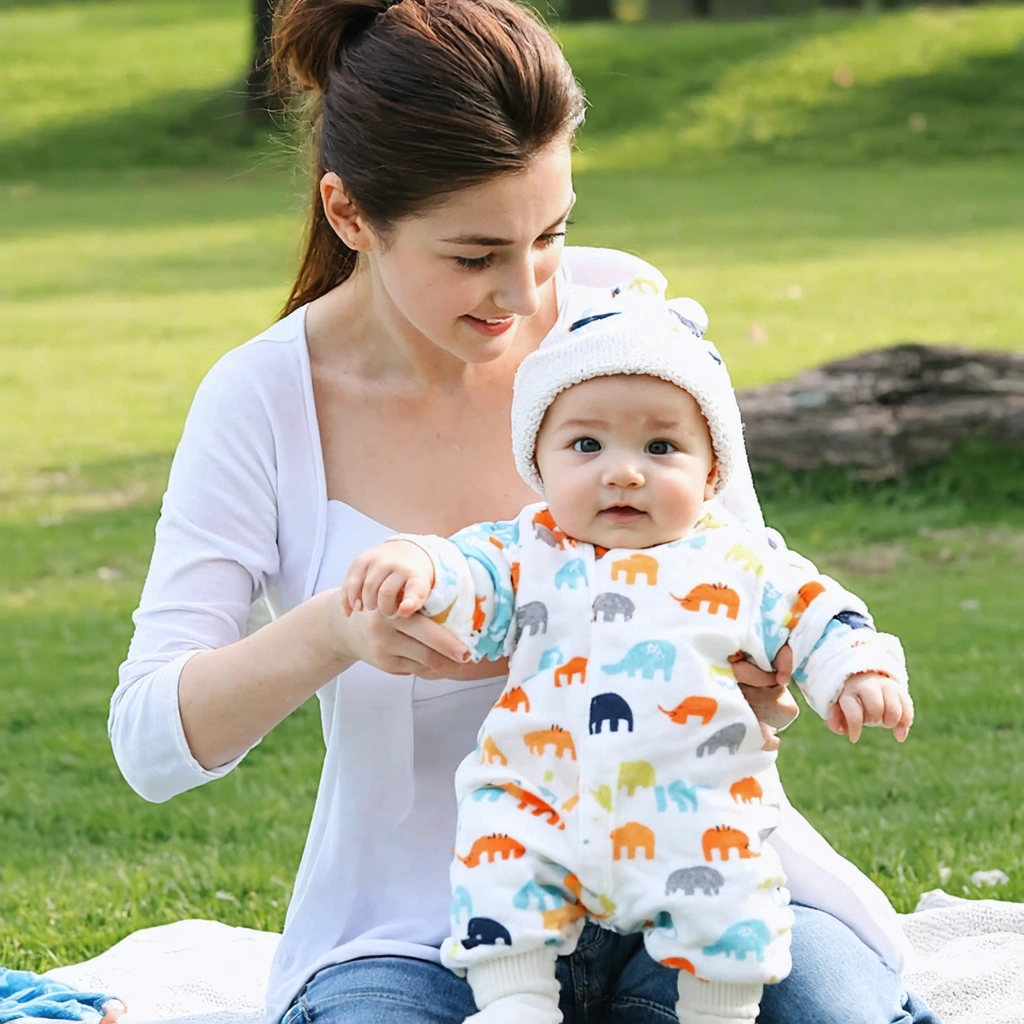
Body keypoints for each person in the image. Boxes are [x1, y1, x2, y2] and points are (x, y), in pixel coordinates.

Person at [108, 0, 940, 1021]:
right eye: (474, 255)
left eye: (550, 233)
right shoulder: (263, 400)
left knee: (821, 1007)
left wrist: (775, 676)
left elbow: (742, 563)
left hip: (689, 876)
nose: (523, 290)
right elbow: (149, 743)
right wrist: (336, 630)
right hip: (422, 925)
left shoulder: (623, 322)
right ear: (349, 214)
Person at [339, 298, 914, 1024]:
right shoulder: (529, 549)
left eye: (661, 449)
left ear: (711, 477)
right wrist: (415, 562)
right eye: (586, 446)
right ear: (538, 466)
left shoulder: (736, 559)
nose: (623, 474)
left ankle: (718, 1006)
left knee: (730, 887)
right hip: (540, 793)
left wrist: (857, 667)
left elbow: (817, 610)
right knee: (496, 859)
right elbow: (466, 574)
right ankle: (515, 1000)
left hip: (693, 800)